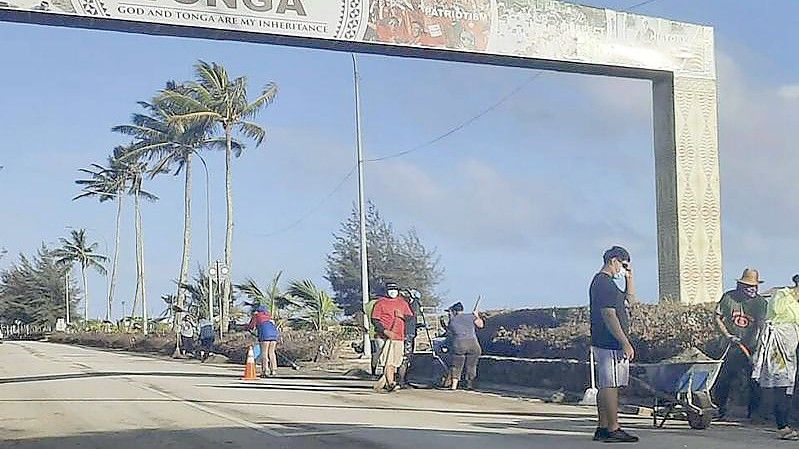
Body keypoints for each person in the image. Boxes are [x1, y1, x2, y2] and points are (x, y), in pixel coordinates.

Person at [589, 246, 639, 443]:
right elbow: (609, 315)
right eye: (623, 264)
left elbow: (630, 301)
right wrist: (624, 342)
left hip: (606, 341)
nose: (623, 269)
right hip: (609, 342)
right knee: (611, 385)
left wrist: (630, 279)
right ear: (614, 260)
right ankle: (613, 427)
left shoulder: (608, 284)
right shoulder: (604, 283)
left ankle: (602, 426)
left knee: (606, 384)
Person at [714, 268, 767, 420]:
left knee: (754, 380)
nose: (753, 289)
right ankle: (720, 409)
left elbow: (761, 324)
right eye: (749, 286)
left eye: (755, 286)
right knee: (724, 379)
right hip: (730, 347)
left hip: (750, 347)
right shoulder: (728, 298)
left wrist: (759, 347)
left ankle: (754, 413)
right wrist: (727, 335)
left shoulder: (760, 302)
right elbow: (717, 317)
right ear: (740, 286)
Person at [751, 276, 799, 439]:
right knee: (781, 383)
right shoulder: (782, 295)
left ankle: (784, 422)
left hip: (791, 345)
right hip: (777, 346)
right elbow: (776, 311)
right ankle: (782, 426)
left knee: (788, 385)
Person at [371, 281, 413, 392]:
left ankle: (387, 381)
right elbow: (375, 320)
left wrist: (401, 316)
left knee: (396, 361)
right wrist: (385, 331)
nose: (393, 292)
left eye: (395, 289)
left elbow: (409, 317)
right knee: (387, 360)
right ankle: (391, 383)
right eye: (390, 289)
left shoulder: (402, 303)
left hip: (398, 336)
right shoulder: (380, 303)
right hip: (384, 337)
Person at [445, 301, 484, 390]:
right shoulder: (471, 316)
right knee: (471, 365)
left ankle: (454, 385)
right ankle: (470, 384)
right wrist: (476, 315)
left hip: (459, 344)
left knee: (457, 365)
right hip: (473, 343)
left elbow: (451, 332)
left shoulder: (452, 321)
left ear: (454, 311)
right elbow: (481, 325)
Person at [397, 288, 423, 387]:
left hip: (409, 333)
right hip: (406, 334)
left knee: (406, 358)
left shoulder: (408, 305)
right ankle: (401, 380)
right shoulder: (410, 306)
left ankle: (402, 379)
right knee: (405, 358)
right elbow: (410, 318)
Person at [248, 305, 279, 378]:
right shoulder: (269, 316)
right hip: (274, 335)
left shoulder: (256, 316)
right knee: (272, 353)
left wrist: (247, 327)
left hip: (265, 335)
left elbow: (251, 326)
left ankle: (265, 370)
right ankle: (273, 370)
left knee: (264, 353)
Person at [364, 295, 384, 376]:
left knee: (374, 354)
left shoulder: (367, 305)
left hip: (371, 333)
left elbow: (359, 315)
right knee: (383, 352)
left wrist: (363, 326)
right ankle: (384, 372)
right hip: (380, 332)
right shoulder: (381, 303)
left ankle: (373, 371)